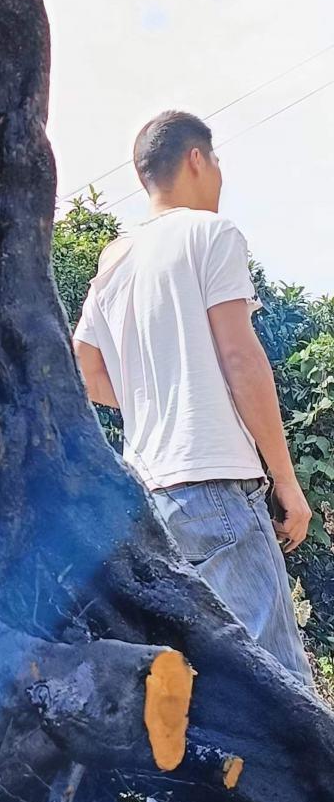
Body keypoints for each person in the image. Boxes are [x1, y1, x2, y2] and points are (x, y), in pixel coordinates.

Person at [73, 109, 313, 694]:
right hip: (216, 488)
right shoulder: (212, 234)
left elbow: (85, 370)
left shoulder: (115, 261)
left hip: (147, 499)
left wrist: (153, 397)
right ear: (197, 159)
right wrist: (285, 481)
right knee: (280, 689)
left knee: (186, 694)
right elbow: (240, 358)